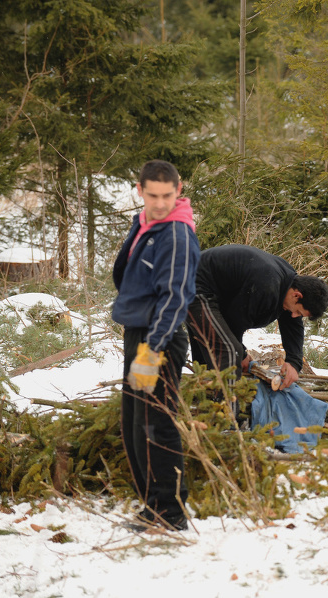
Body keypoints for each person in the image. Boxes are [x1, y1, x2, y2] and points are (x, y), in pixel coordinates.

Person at [111, 159, 200, 530]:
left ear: (178, 190)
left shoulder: (176, 233)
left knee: (155, 425)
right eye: (153, 195)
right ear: (140, 191)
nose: (161, 202)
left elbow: (176, 297)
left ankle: (170, 512)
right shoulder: (147, 223)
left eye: (167, 195)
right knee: (135, 423)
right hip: (140, 332)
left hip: (159, 338)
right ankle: (152, 503)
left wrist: (153, 349)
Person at [186, 244, 328, 394]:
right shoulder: (267, 286)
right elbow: (233, 320)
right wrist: (241, 354)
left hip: (205, 291)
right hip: (191, 286)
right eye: (299, 312)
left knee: (208, 356)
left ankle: (202, 402)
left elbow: (292, 324)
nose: (295, 316)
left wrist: (294, 362)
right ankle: (227, 412)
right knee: (228, 352)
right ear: (297, 295)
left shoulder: (288, 282)